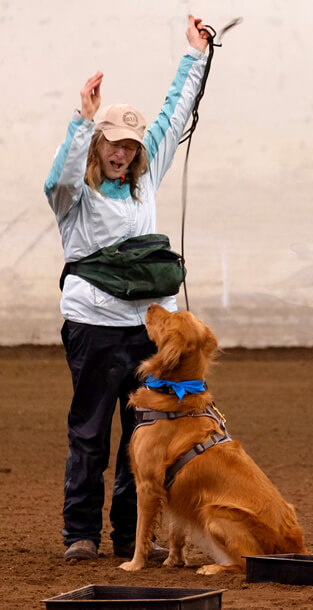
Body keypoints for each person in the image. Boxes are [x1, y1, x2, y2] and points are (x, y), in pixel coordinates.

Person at [44, 16, 210, 562]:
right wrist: (81, 119)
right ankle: (81, 533)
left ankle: (129, 536)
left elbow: (173, 114)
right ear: (99, 143)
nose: (124, 154)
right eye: (115, 144)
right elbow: (59, 178)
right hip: (94, 327)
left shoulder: (145, 177)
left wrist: (195, 55)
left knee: (143, 434)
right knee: (90, 433)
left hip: (148, 333)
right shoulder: (74, 196)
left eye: (131, 147)